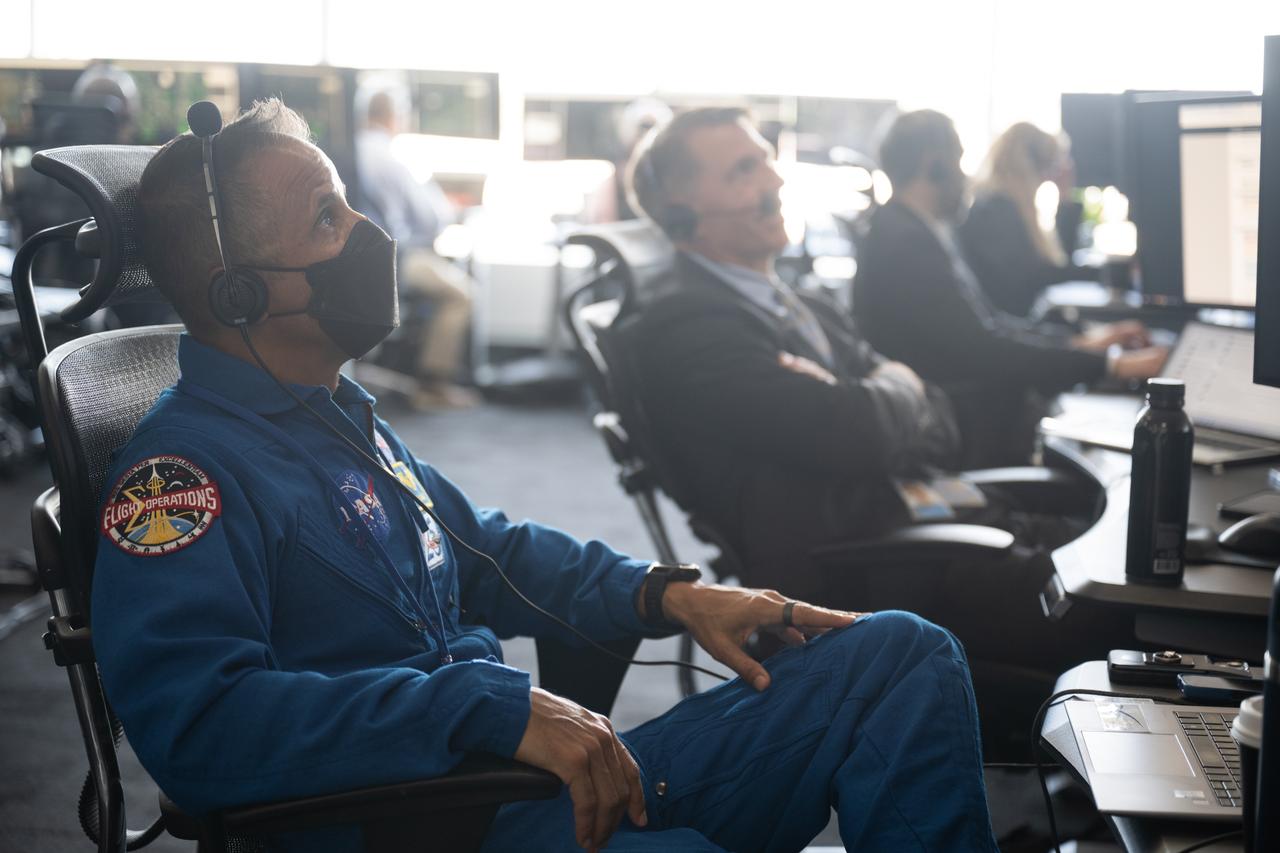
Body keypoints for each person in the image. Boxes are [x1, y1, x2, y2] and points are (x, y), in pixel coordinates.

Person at [92, 98, 998, 853]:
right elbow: (200, 727)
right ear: (241, 290)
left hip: (523, 787)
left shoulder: (335, 418)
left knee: (901, 655)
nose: (372, 233)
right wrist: (481, 707)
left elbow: (493, 552)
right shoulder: (183, 477)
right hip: (430, 821)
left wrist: (664, 593)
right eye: (330, 218)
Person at [620, 107, 963, 608]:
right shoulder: (690, 329)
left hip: (909, 516)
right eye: (744, 170)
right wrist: (894, 390)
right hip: (860, 580)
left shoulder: (801, 303)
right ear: (681, 214)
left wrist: (881, 398)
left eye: (766, 161)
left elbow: (939, 421)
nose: (775, 181)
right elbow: (862, 434)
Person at [853, 109, 1168, 468]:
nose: (966, 175)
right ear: (934, 165)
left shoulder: (907, 229)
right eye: (959, 160)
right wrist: (1113, 366)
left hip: (957, 412)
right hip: (958, 427)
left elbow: (989, 326)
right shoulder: (908, 245)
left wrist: (1080, 346)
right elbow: (986, 350)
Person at [355, 88, 477, 408]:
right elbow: (432, 219)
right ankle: (433, 387)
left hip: (351, 262)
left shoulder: (346, 150)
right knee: (462, 294)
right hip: (392, 260)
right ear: (394, 117)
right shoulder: (391, 159)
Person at [959, 121, 1098, 317]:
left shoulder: (1001, 205)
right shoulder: (994, 211)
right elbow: (1036, 276)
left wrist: (1065, 198)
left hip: (1016, 321)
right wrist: (1102, 273)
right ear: (1034, 169)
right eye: (1048, 170)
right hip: (1012, 323)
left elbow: (1052, 267)